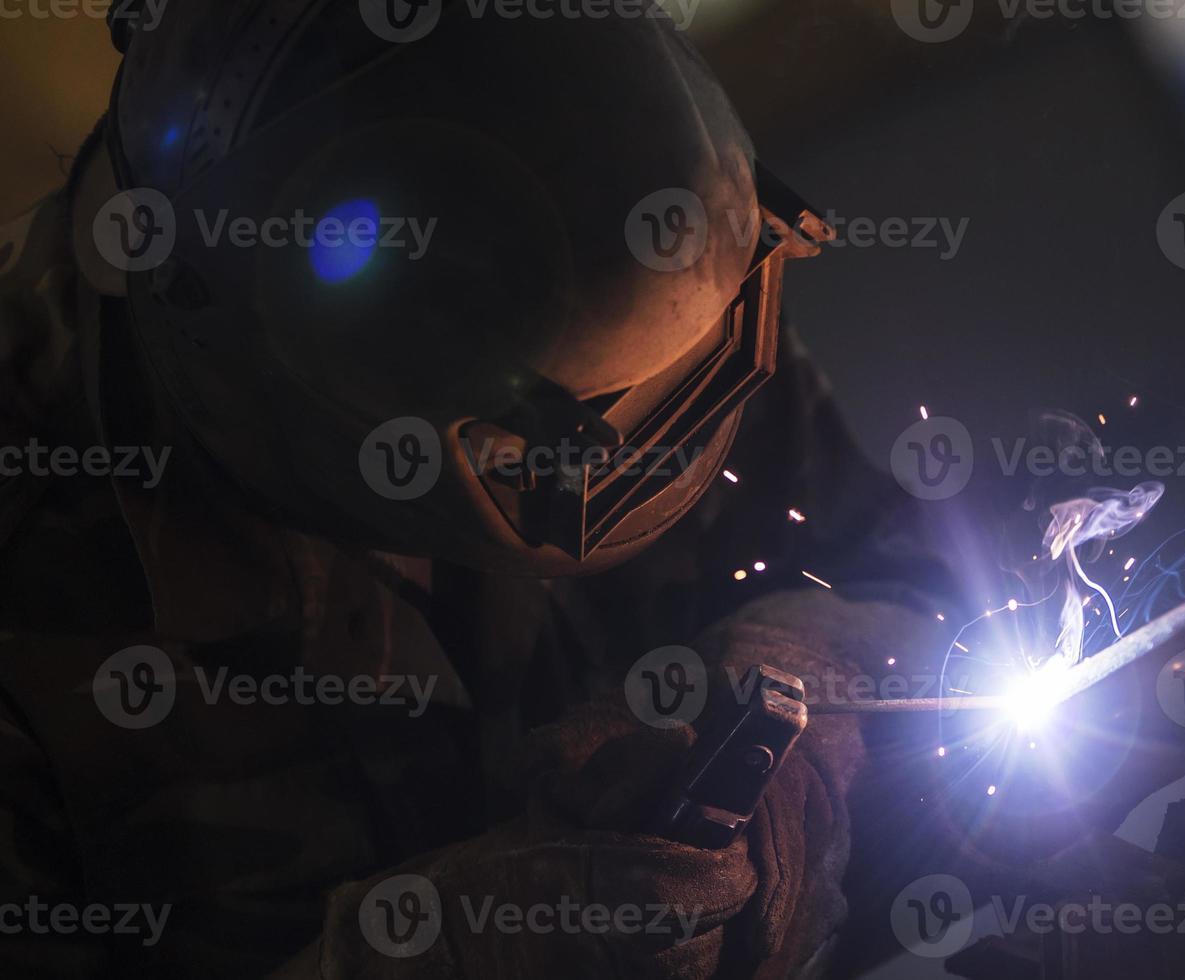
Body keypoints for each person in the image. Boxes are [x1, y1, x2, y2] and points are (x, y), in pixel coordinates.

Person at [0, 2, 965, 976]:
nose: (614, 455)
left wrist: (816, 711)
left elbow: (923, 602)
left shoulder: (647, 251)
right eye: (536, 451)